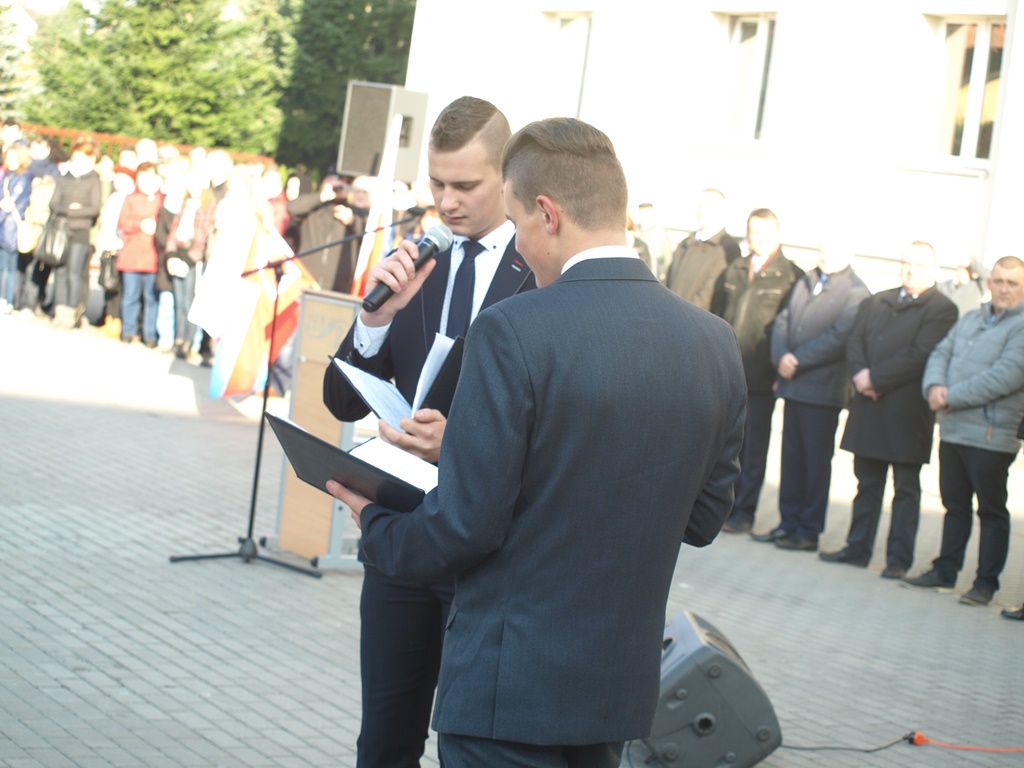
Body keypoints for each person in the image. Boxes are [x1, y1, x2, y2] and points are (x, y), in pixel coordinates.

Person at [327, 116, 746, 768]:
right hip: (612, 692)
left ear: (547, 214)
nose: (518, 249)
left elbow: (466, 526)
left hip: (509, 688)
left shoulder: (514, 329)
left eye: (518, 224)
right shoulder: (715, 342)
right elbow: (703, 518)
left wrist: (375, 525)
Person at [322, 96, 535, 768]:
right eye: (437, 183)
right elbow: (339, 399)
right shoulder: (417, 260)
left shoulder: (541, 271)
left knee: (472, 745)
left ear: (508, 175)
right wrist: (373, 321)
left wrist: (462, 445)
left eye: (465, 185)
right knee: (384, 740)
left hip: (487, 550)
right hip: (400, 536)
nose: (446, 202)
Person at [820, 242, 958, 577]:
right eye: (907, 262)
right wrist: (861, 376)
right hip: (870, 406)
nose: (911, 269)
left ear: (934, 270)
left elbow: (920, 354)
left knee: (905, 490)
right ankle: (857, 548)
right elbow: (855, 341)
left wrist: (875, 378)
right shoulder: (877, 300)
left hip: (907, 413)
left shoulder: (943, 309)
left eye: (919, 264)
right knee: (866, 483)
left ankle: (898, 560)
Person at [902, 256, 1024, 606]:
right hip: (954, 430)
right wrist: (934, 387)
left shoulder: (1021, 327)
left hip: (991, 436)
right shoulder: (971, 318)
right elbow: (940, 353)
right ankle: (945, 571)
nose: (1003, 289)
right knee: (954, 505)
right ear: (989, 282)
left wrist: (950, 397)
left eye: (1012, 283)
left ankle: (985, 584)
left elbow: (1005, 376)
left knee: (991, 511)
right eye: (998, 281)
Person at [760, 245, 870, 551]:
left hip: (823, 392)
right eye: (823, 248)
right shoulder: (806, 280)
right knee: (791, 461)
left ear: (849, 253)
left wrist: (797, 360)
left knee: (815, 464)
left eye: (835, 249)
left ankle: (808, 530)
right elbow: (782, 320)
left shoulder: (857, 291)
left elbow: (840, 336)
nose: (826, 255)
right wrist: (781, 355)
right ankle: (787, 523)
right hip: (793, 386)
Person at [715, 209, 803, 534]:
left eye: (766, 232)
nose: (759, 238)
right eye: (754, 231)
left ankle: (744, 513)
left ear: (777, 234)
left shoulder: (791, 275)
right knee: (724, 447)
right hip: (728, 375)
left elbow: (791, 327)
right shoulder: (734, 269)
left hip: (762, 379)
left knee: (752, 451)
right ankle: (720, 509)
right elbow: (716, 316)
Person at [49, 139, 102, 329]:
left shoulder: (93, 179)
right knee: (60, 271)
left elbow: (94, 208)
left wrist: (72, 211)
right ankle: (59, 310)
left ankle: (72, 312)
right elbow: (54, 203)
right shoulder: (65, 176)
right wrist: (71, 208)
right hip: (61, 230)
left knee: (74, 272)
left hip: (81, 231)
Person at [663, 188, 740, 311]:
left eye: (709, 206)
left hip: (694, 318)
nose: (702, 211)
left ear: (721, 210)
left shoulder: (727, 248)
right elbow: (668, 281)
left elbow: (708, 295)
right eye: (700, 206)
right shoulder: (685, 244)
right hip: (669, 312)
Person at [116, 161, 164, 346]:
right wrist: (140, 224)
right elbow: (123, 222)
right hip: (132, 254)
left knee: (151, 298)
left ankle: (149, 334)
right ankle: (128, 330)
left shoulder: (161, 199)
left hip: (153, 257)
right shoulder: (131, 198)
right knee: (131, 295)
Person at [0, 143, 33, 315]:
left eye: (14, 157)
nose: (10, 160)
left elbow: (10, 203)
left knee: (10, 266)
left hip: (12, 226)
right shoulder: (7, 176)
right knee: (2, 265)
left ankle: (7, 300)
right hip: (3, 225)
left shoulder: (23, 177)